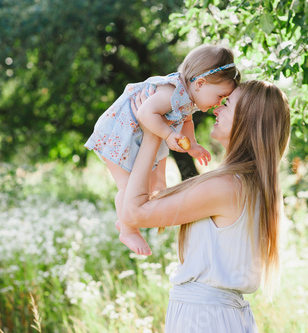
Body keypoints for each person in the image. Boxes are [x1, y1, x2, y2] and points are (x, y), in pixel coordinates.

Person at [122, 80, 291, 332]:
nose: (216, 109)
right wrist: (159, 138)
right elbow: (155, 199)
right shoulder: (245, 184)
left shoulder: (226, 186)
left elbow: (134, 213)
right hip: (213, 316)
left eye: (227, 104)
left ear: (248, 119)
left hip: (205, 319)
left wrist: (150, 134)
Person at [85, 45, 241, 256]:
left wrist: (192, 145)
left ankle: (131, 220)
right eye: (220, 96)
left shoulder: (189, 98)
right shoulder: (171, 91)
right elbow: (145, 113)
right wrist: (167, 135)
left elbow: (187, 121)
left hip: (137, 138)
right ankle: (128, 228)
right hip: (118, 136)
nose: (218, 104)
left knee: (151, 189)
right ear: (201, 83)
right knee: (128, 188)